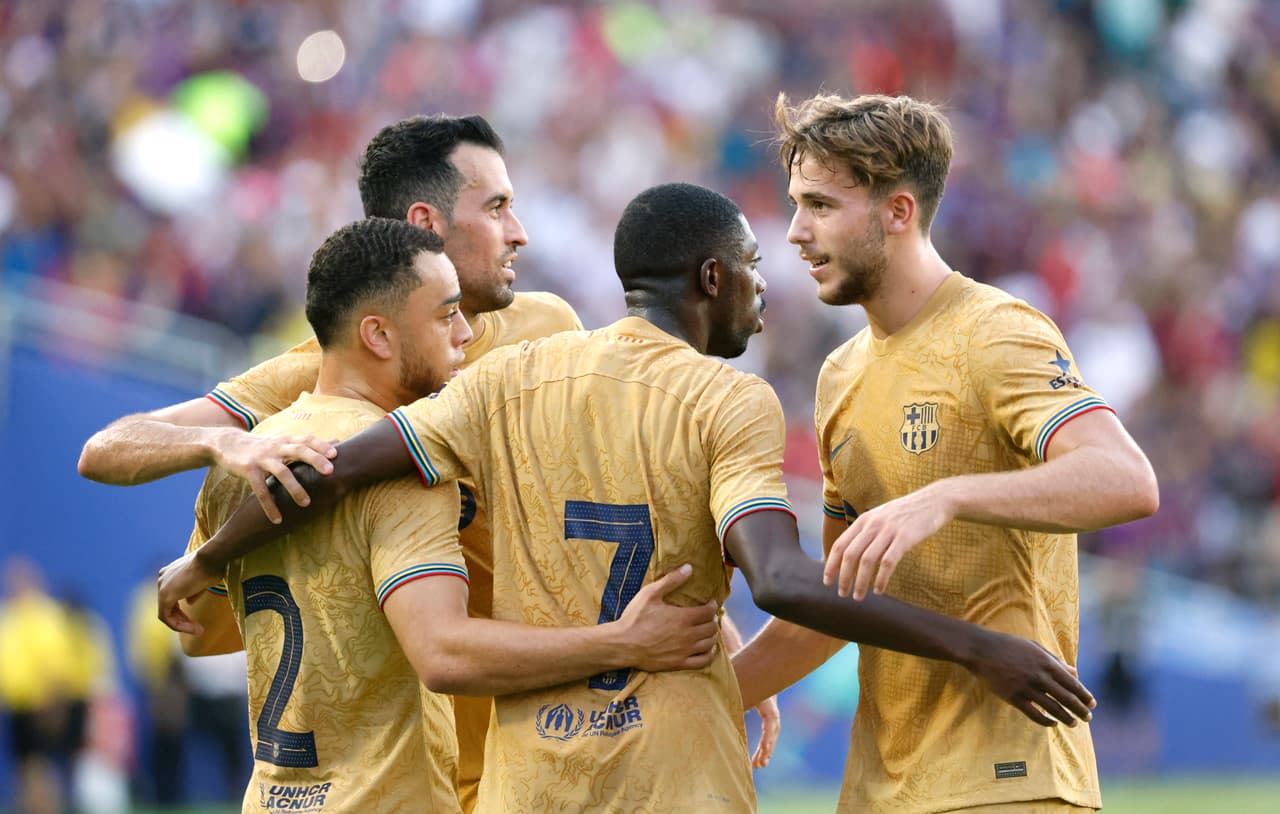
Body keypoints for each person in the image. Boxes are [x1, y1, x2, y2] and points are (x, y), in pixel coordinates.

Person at [158, 184, 1096, 813]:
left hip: (532, 786)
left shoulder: (510, 378)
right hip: (672, 781)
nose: (765, 293)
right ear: (712, 278)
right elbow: (779, 581)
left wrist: (206, 559)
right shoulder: (727, 400)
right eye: (752, 271)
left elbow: (330, 469)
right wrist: (976, 646)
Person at [76, 114, 779, 803]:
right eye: (497, 207)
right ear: (426, 224)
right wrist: (223, 440)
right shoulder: (320, 372)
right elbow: (106, 449)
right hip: (420, 767)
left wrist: (708, 621)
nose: (519, 231)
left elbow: (616, 494)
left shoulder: (548, 332)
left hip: (537, 757)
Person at [173, 217, 721, 813]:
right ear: (378, 336)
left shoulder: (246, 459)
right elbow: (444, 654)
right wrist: (622, 642)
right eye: (445, 316)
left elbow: (196, 631)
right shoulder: (408, 472)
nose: (464, 335)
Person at [736, 93, 1161, 813]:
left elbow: (1126, 479)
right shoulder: (840, 375)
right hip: (879, 790)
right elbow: (842, 600)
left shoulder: (995, 332)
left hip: (1006, 779)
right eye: (796, 205)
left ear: (898, 212)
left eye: (821, 206)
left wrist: (948, 496)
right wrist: (709, 700)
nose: (797, 233)